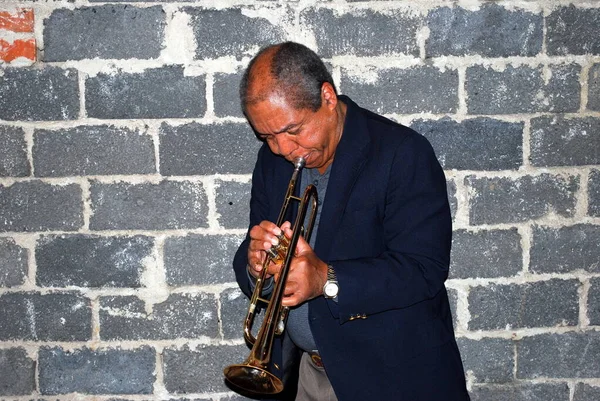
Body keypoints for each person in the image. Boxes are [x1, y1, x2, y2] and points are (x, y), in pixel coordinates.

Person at [231, 41, 470, 401]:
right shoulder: (271, 161)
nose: (282, 149)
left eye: (293, 130)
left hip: (392, 378)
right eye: (267, 136)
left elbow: (424, 269)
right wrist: (257, 266)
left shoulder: (402, 153)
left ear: (327, 97)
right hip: (306, 376)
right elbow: (254, 252)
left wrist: (326, 279)